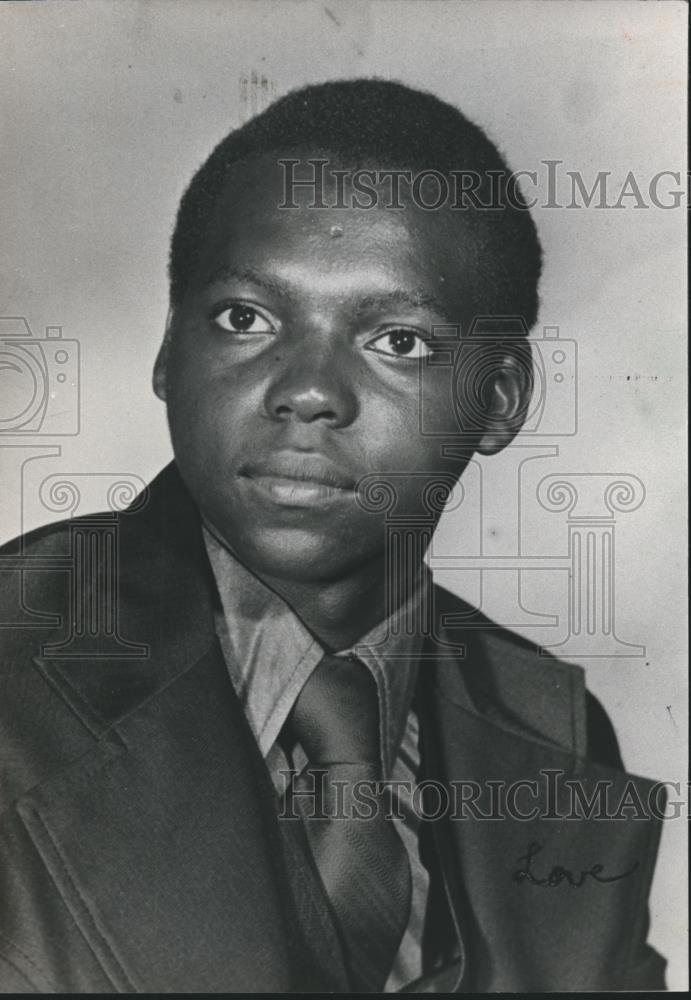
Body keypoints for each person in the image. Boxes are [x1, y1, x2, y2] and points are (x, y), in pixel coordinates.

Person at [0, 79, 666, 993]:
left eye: (397, 340)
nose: (307, 390)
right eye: (246, 319)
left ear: (500, 399)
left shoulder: (558, 741)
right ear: (167, 352)